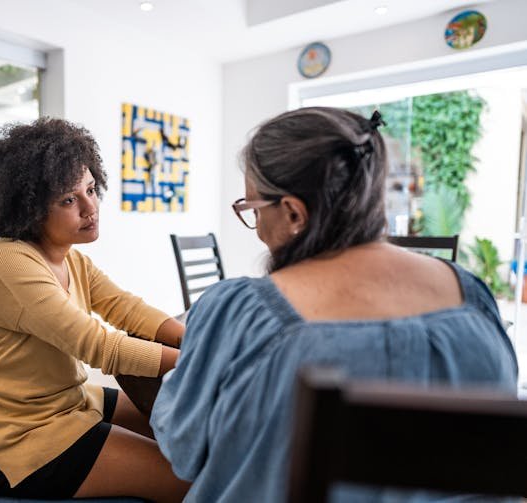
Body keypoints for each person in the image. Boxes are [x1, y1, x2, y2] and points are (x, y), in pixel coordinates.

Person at [150, 107, 517, 502]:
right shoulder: (472, 296)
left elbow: (183, 451)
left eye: (253, 210)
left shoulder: (243, 311)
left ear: (293, 213)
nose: (255, 226)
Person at [0, 117, 189, 502]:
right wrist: (195, 359)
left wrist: (193, 340)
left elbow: (125, 308)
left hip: (64, 405)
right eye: (68, 199)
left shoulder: (68, 259)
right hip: (17, 440)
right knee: (189, 480)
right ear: (29, 209)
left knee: (181, 428)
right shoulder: (11, 263)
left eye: (91, 189)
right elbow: (99, 346)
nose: (91, 208)